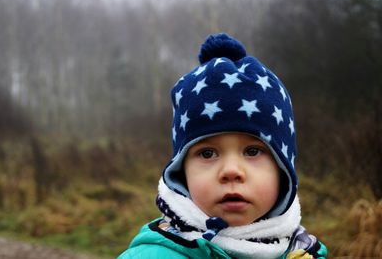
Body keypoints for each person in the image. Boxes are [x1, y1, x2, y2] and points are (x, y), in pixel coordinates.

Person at [118, 33, 327, 259]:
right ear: (181, 173)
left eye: (253, 151)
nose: (231, 171)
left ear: (283, 172)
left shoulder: (303, 253)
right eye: (207, 153)